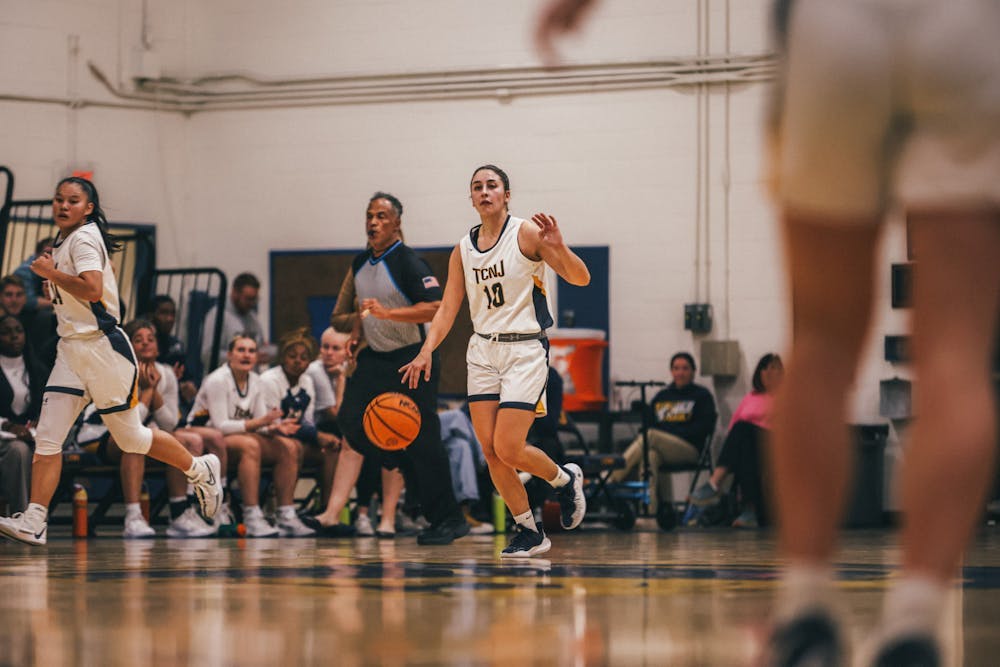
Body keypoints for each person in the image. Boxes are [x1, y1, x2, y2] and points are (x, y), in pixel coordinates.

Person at [0, 177, 222, 546]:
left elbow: (91, 289)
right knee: (48, 438)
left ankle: (200, 470)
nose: (63, 205)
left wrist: (51, 275)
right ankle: (35, 519)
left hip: (102, 349)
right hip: (71, 350)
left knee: (132, 437)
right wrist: (54, 285)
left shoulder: (85, 238)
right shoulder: (67, 240)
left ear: (88, 208)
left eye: (73, 200)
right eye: (58, 199)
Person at [400, 165, 589, 558]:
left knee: (508, 446)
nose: (484, 192)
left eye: (492, 186)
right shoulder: (463, 249)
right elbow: (449, 308)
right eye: (477, 187)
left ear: (506, 194)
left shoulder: (527, 233)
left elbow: (581, 278)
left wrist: (559, 247)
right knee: (489, 450)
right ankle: (529, 531)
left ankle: (565, 479)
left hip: (524, 349)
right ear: (471, 198)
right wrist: (425, 349)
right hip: (483, 350)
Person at [311, 191, 466, 546]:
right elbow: (365, 309)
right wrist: (354, 334)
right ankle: (399, 461)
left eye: (382, 216)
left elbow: (435, 308)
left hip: (413, 356)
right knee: (351, 421)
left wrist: (388, 314)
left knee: (425, 442)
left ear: (397, 223)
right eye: (369, 215)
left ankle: (449, 519)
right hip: (376, 355)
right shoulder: (360, 262)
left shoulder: (409, 262)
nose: (373, 222)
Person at [187, 334, 312, 537]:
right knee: (250, 445)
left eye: (251, 351)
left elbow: (261, 423)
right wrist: (261, 423)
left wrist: (275, 428)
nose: (247, 355)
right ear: (229, 355)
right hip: (207, 438)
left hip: (236, 436)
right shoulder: (217, 380)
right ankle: (252, 514)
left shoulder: (255, 381)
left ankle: (286, 514)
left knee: (289, 446)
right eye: (241, 350)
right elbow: (221, 425)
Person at [608, 352, 717, 516]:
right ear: (671, 371)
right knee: (649, 456)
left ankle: (610, 477)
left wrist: (669, 431)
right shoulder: (663, 396)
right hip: (662, 447)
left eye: (685, 368)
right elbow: (649, 424)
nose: (680, 372)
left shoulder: (701, 396)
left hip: (690, 449)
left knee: (652, 436)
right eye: (676, 368)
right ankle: (649, 513)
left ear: (693, 371)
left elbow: (702, 429)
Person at [258, 328, 338, 536]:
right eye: (292, 356)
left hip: (295, 436)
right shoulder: (269, 380)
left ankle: (327, 513)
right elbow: (275, 423)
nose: (297, 362)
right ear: (283, 357)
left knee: (330, 449)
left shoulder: (307, 382)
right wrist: (315, 436)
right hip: (266, 435)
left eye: (303, 358)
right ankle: (285, 513)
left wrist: (318, 438)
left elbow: (308, 422)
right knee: (293, 447)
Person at [689, 353, 783, 528]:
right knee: (744, 440)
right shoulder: (750, 398)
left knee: (744, 429)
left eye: (776, 369)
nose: (771, 372)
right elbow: (733, 429)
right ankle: (749, 512)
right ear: (759, 373)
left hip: (775, 447)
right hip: (751, 448)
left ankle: (714, 483)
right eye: (767, 368)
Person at [0, 314, 45, 516]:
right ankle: (21, 514)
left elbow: (46, 407)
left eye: (18, 331)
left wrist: (36, 425)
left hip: (30, 435)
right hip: (4, 437)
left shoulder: (37, 369)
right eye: (6, 332)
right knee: (19, 451)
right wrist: (8, 426)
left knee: (49, 450)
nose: (14, 336)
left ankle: (40, 515)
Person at [201, 272, 270, 372]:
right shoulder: (217, 315)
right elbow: (207, 355)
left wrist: (264, 352)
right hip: (223, 381)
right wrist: (242, 357)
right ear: (235, 293)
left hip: (249, 380)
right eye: (248, 299)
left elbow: (260, 346)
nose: (251, 303)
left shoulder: (252, 318)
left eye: (254, 299)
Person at [12, 237, 55, 312]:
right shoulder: (24, 271)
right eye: (48, 253)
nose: (51, 257)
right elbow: (29, 302)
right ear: (37, 254)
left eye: (55, 253)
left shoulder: (53, 268)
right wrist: (58, 303)